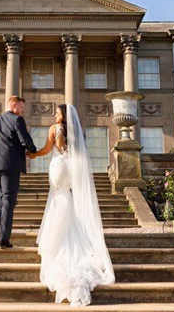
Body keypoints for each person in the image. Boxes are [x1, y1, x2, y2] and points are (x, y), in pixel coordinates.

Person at [28, 104, 115, 306]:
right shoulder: (75, 131)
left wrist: (33, 155)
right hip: (71, 168)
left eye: (57, 112)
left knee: (58, 198)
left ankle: (56, 241)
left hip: (58, 166)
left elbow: (48, 149)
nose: (55, 115)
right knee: (66, 197)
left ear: (63, 115)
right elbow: (77, 152)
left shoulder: (54, 129)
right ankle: (69, 232)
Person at [0, 95, 37, 249]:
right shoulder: (17, 120)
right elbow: (24, 140)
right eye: (21, 107)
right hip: (9, 165)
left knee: (2, 193)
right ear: (14, 105)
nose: (22, 111)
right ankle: (4, 239)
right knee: (9, 199)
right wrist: (33, 150)